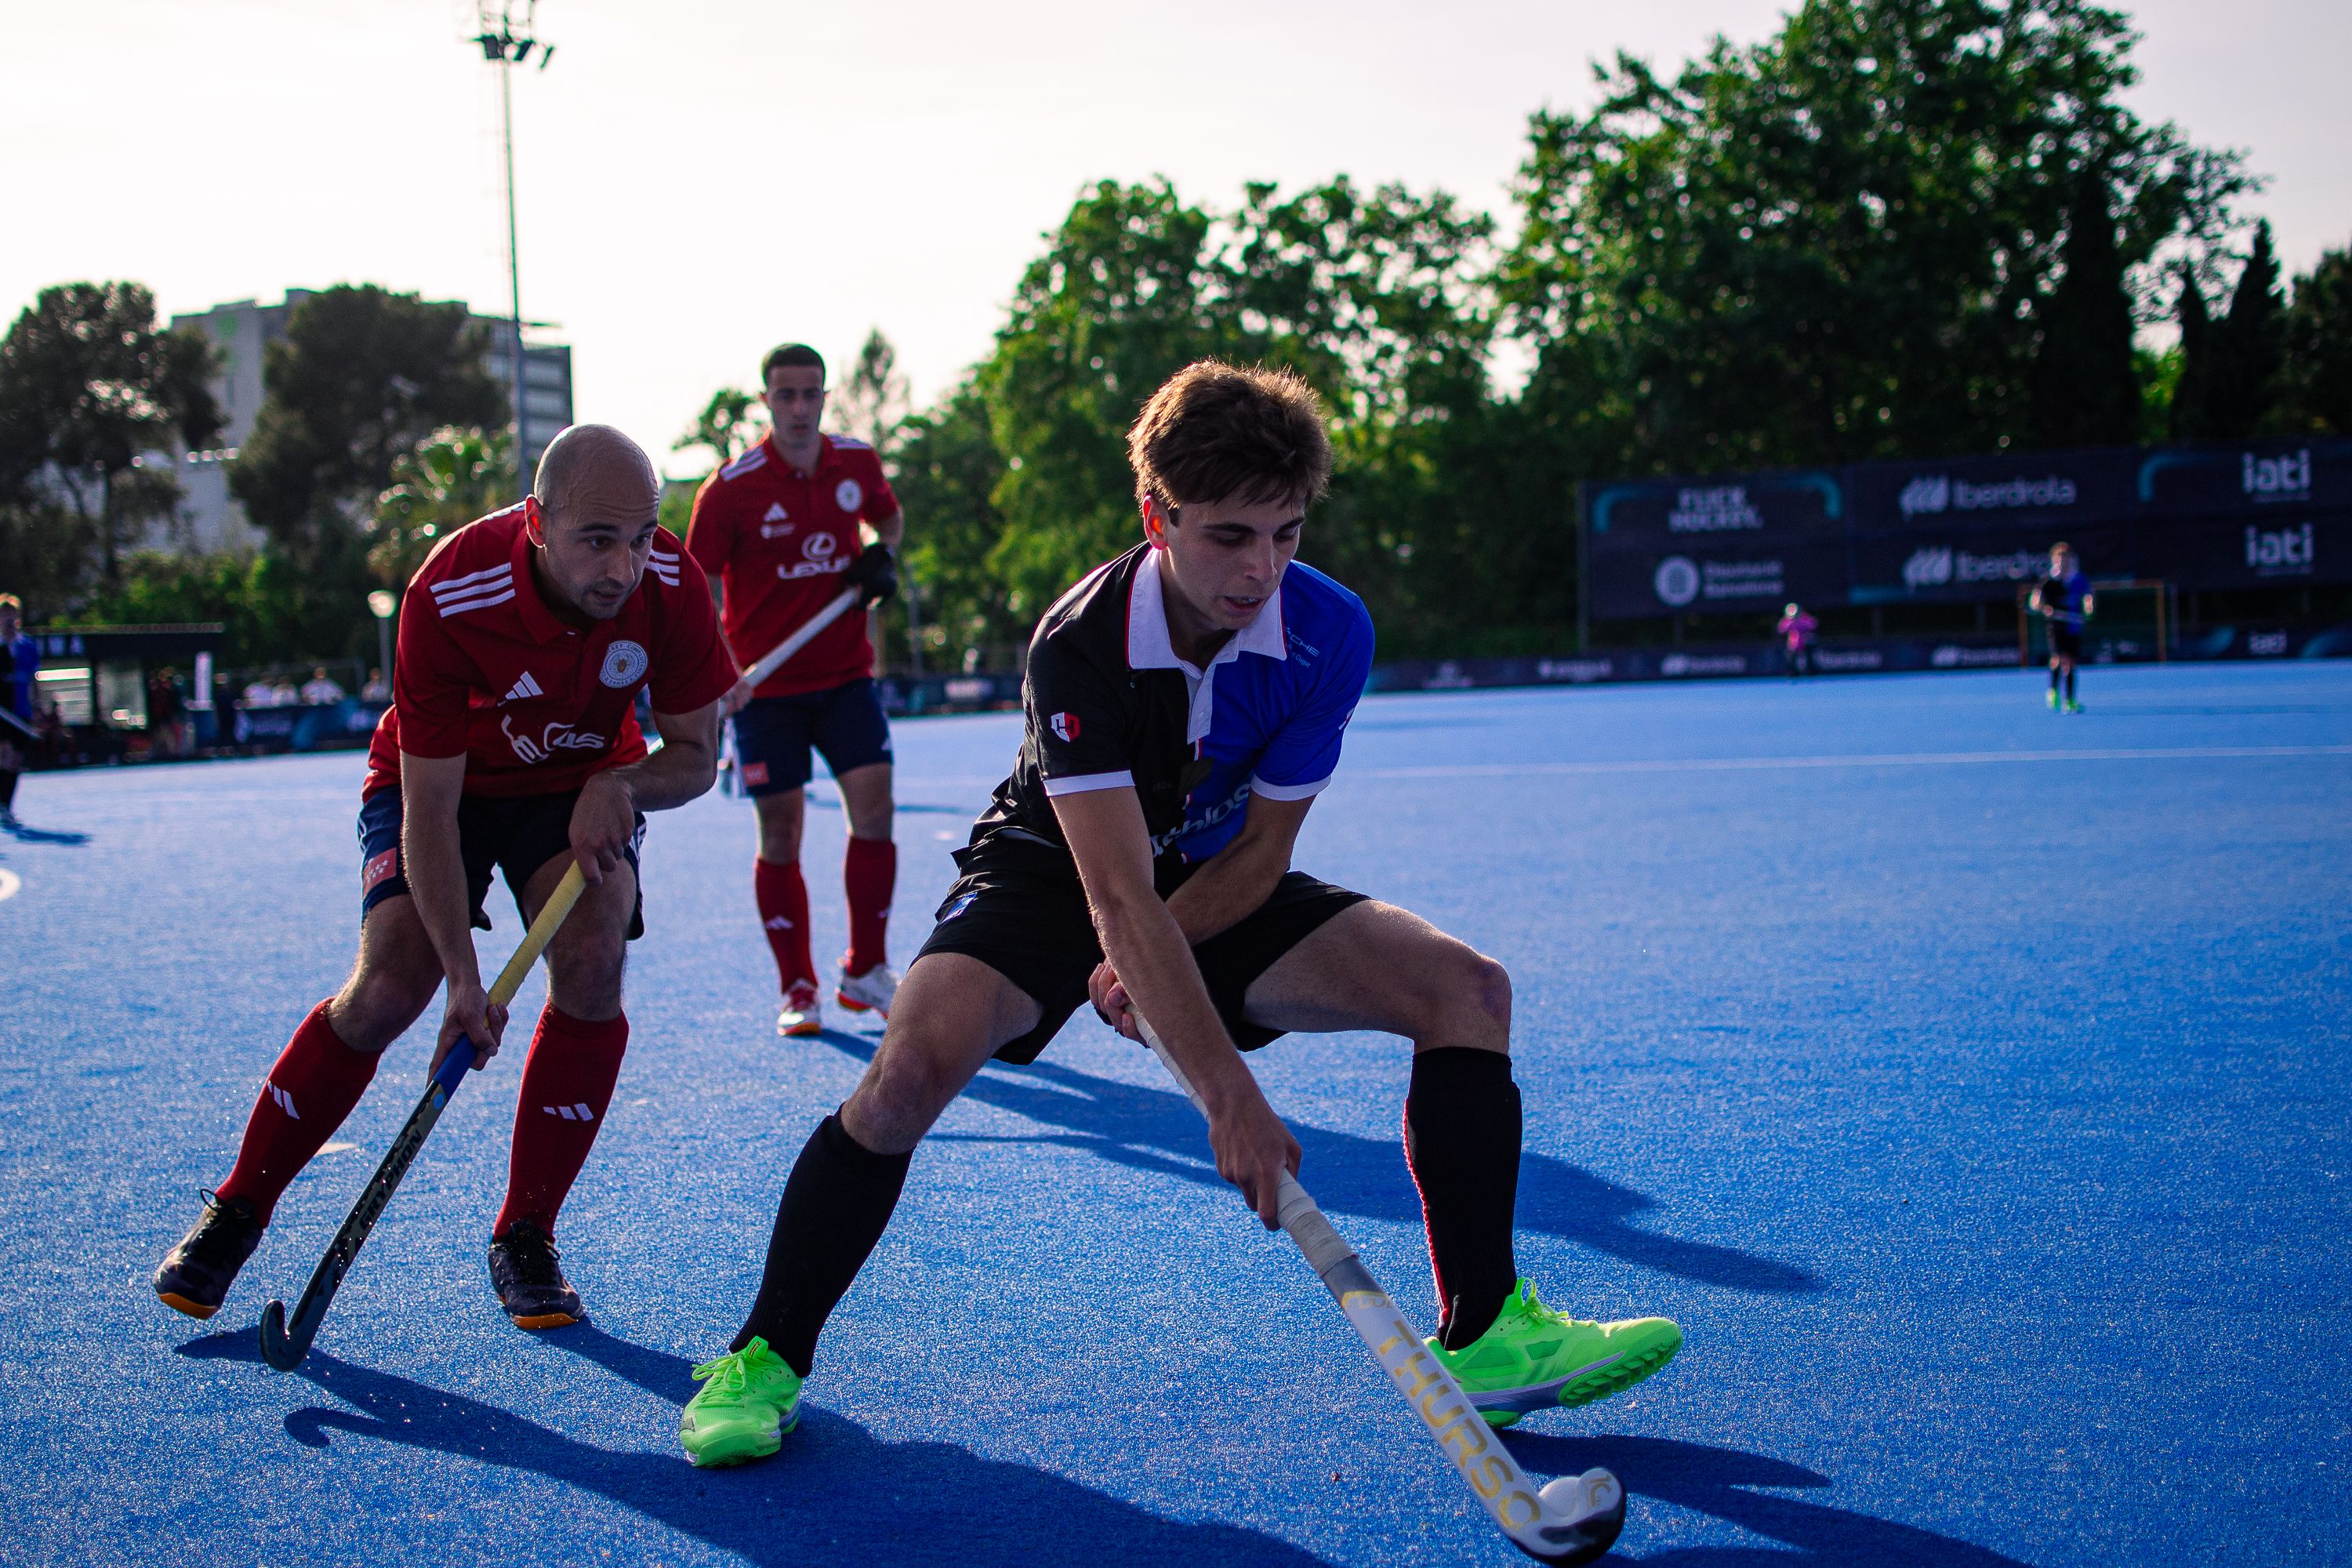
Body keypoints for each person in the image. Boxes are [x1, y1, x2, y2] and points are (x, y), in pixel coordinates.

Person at [674, 361, 1682, 1468]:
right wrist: (1229, 1096)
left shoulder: (1329, 631)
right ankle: (762, 1355)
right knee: (910, 1069)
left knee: (1466, 989)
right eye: (1228, 538)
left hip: (1211, 873)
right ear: (1156, 517)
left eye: (1286, 533)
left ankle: (1487, 1333)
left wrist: (1165, 962)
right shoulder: (1081, 644)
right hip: (1052, 872)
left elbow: (1263, 852)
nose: (1262, 570)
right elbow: (1112, 898)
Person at [153, 425, 737, 1330]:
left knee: (591, 952)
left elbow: (698, 755)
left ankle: (526, 1231)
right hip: (446, 786)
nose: (625, 565)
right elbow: (429, 809)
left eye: (643, 534)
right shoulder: (451, 589)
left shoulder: (670, 583)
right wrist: (464, 979)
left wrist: (618, 782)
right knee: (393, 981)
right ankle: (239, 1205)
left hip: (576, 785)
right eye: (598, 539)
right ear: (538, 522)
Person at [685, 343, 909, 1038]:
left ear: (823, 395)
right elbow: (699, 585)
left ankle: (864, 971)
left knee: (875, 809)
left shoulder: (857, 462)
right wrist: (721, 671)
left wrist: (881, 556)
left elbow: (888, 521)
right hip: (767, 690)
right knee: (780, 833)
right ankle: (798, 987)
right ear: (766, 401)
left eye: (811, 394)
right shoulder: (730, 488)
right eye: (787, 396)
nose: (801, 408)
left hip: (846, 675)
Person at [2030, 543, 2093, 713]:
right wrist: (2044, 608)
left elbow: (2088, 597)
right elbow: (2035, 602)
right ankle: (2053, 691)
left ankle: (2070, 700)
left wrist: (2088, 608)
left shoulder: (2078, 579)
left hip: (2074, 625)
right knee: (2059, 658)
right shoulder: (2049, 580)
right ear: (2054, 561)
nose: (2062, 563)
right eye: (2059, 559)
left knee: (2071, 663)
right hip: (2056, 626)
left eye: (2065, 559)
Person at [0, 596, 37, 828]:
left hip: (21, 709)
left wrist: (38, 706)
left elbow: (33, 679)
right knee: (4, 754)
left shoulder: (27, 645)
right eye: (4, 614)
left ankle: (6, 805)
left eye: (11, 614)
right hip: (2, 711)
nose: (8, 619)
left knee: (15, 761)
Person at [1777, 601, 1818, 677]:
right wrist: (1792, 623)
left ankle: (1811, 672)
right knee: (1792, 659)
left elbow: (1813, 625)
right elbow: (1781, 629)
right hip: (1794, 643)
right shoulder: (1787, 620)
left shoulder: (1805, 617)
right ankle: (1793, 673)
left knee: (1809, 658)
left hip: (1806, 642)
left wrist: (1799, 622)